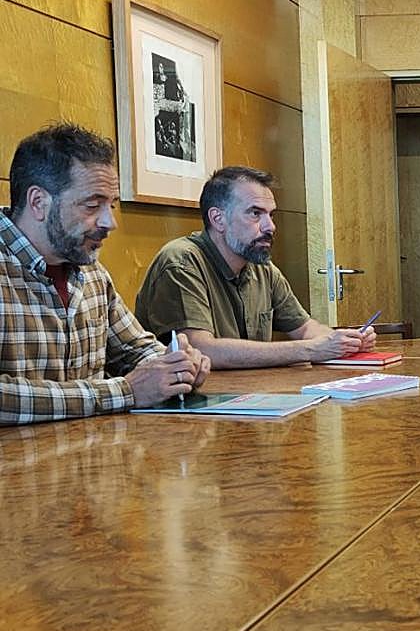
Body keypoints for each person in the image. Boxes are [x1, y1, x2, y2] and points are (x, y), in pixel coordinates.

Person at [1, 123, 209, 425]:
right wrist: (124, 392)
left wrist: (175, 365)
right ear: (38, 202)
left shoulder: (92, 270)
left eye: (110, 205)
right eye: (92, 205)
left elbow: (136, 348)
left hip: (97, 463)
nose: (110, 222)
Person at [135, 166, 377, 368]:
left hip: (249, 399)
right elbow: (201, 348)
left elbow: (304, 328)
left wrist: (345, 341)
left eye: (271, 215)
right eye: (255, 213)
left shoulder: (262, 267)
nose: (270, 226)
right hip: (191, 409)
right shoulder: (181, 263)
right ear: (218, 219)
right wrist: (310, 350)